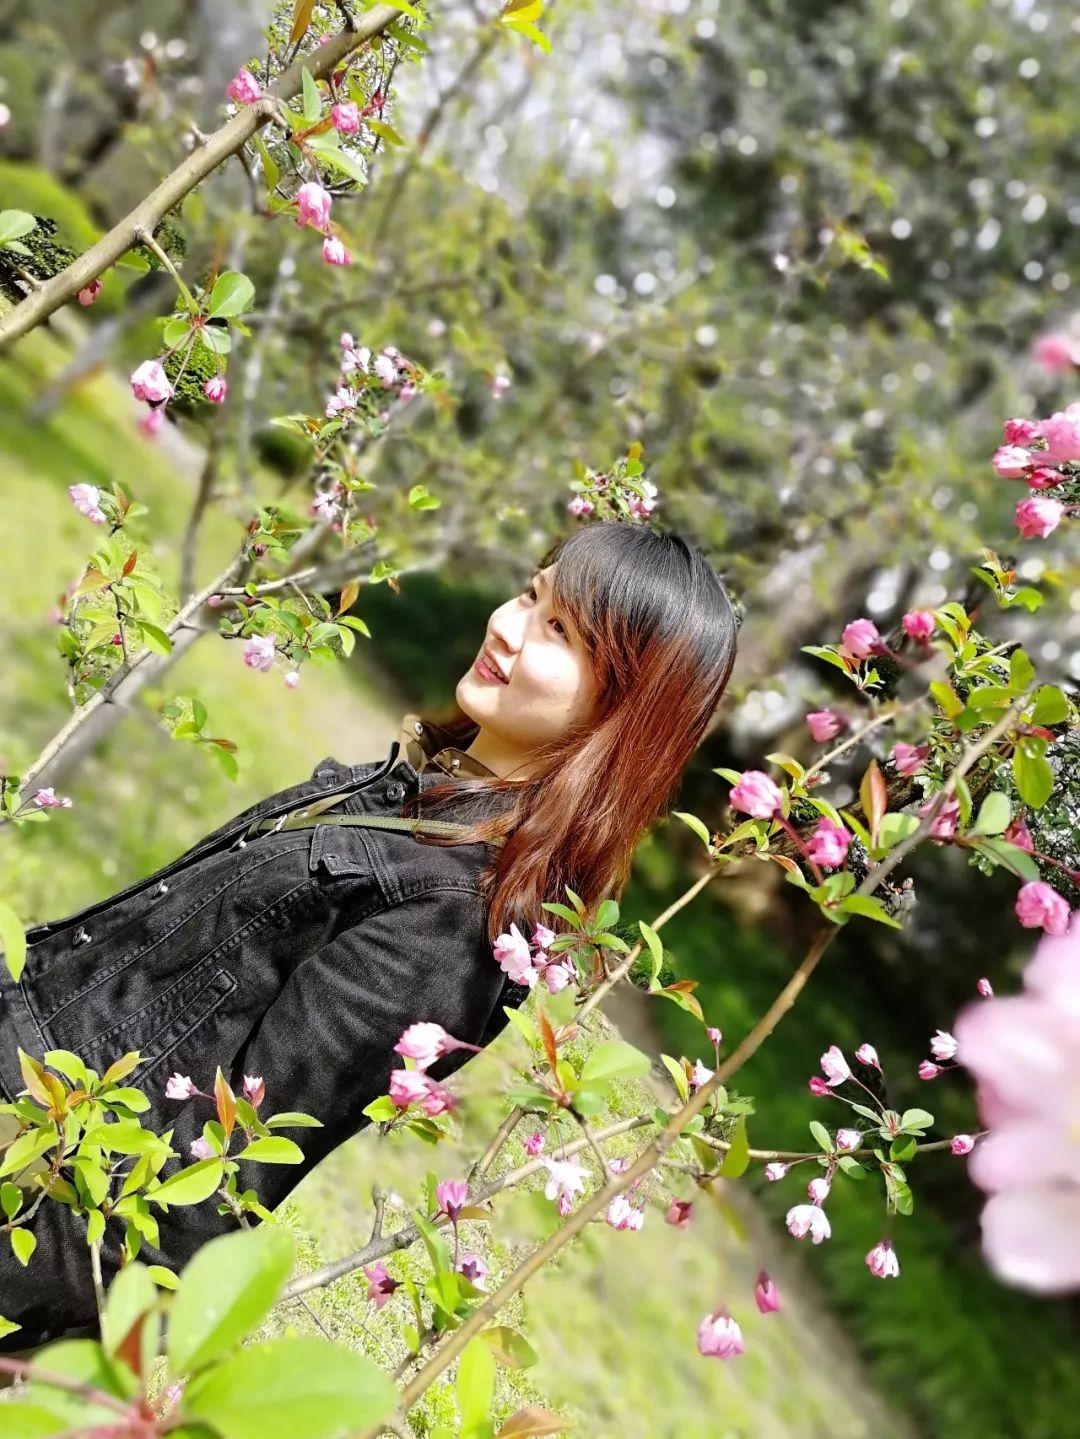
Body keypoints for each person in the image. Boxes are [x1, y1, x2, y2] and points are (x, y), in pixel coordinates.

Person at [0, 518, 737, 1353]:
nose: (507, 624)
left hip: (38, 1177)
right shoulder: (415, 799)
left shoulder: (456, 925)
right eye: (533, 592)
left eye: (559, 630)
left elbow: (204, 1197)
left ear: (619, 711)